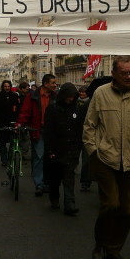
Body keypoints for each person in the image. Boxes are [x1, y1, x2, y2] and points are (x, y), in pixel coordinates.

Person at [82, 56, 130, 259]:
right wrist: (93, 152)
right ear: (114, 73)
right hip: (105, 159)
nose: (129, 76)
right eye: (124, 73)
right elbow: (89, 126)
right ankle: (100, 244)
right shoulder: (101, 94)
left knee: (126, 210)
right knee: (110, 204)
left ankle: (114, 250)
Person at [43, 82, 86, 215]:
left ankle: (70, 203)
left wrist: (78, 146)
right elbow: (48, 130)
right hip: (56, 148)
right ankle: (54, 197)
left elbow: (80, 128)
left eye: (73, 96)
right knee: (55, 178)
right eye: (69, 96)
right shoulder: (52, 108)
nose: (71, 99)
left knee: (69, 177)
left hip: (71, 148)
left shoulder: (77, 108)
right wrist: (49, 150)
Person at [18, 73, 58, 196]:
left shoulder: (56, 96)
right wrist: (20, 124)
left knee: (50, 157)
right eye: (53, 83)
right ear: (45, 84)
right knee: (39, 156)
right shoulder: (33, 96)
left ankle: (47, 182)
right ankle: (39, 184)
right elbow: (25, 112)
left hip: (51, 131)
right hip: (38, 130)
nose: (55, 85)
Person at [0, 80, 20, 167]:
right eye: (5, 86)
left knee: (12, 142)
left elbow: (18, 109)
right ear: (2, 87)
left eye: (8, 86)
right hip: (2, 122)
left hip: (12, 122)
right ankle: (4, 160)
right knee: (2, 143)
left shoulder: (15, 96)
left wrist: (17, 120)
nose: (7, 88)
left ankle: (10, 158)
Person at [78, 85, 92, 191]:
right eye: (81, 92)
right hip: (80, 133)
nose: (82, 94)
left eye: (84, 92)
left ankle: (85, 181)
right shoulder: (77, 103)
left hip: (87, 133)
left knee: (86, 159)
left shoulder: (90, 103)